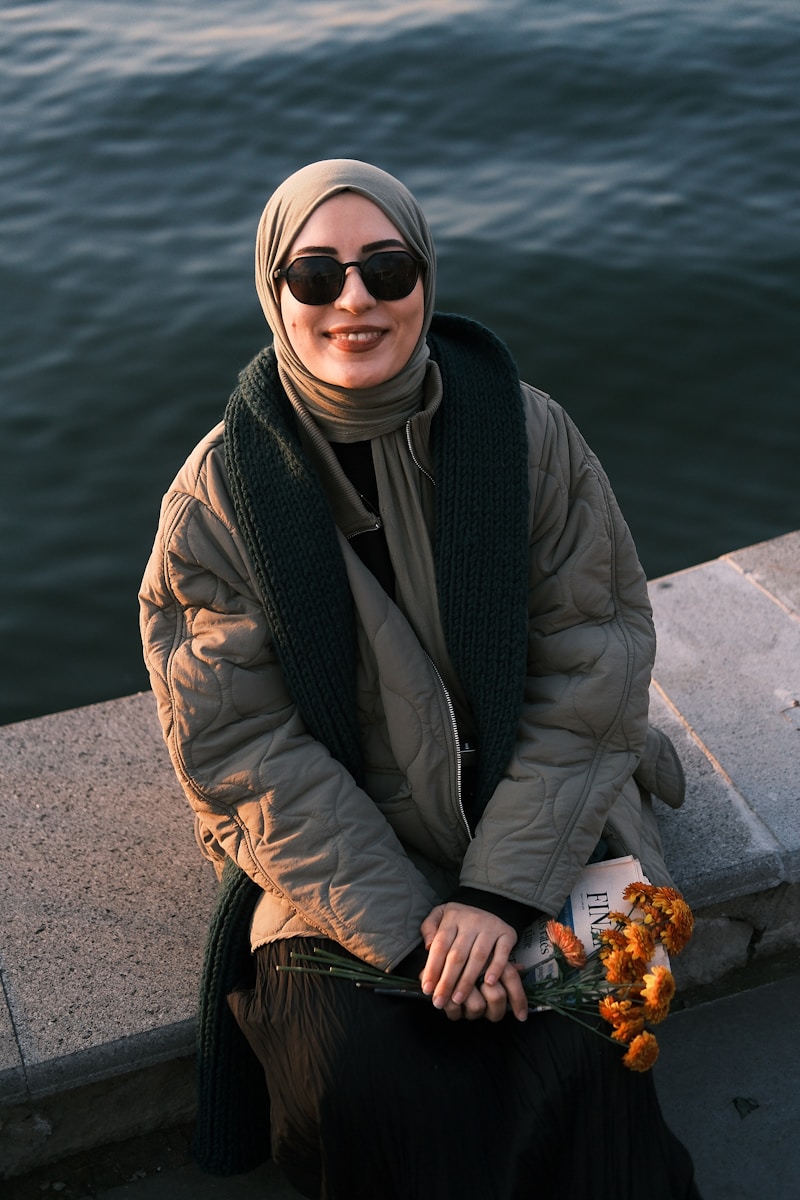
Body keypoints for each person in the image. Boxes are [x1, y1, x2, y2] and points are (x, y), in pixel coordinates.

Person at [139, 159, 701, 1199]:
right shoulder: (219, 497)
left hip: (545, 814)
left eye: (384, 268)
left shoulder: (528, 437)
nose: (352, 300)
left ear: (423, 281)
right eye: (315, 276)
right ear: (275, 293)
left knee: (590, 1048)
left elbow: (595, 666)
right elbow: (241, 750)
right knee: (370, 1075)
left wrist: (497, 893)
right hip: (348, 855)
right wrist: (414, 931)